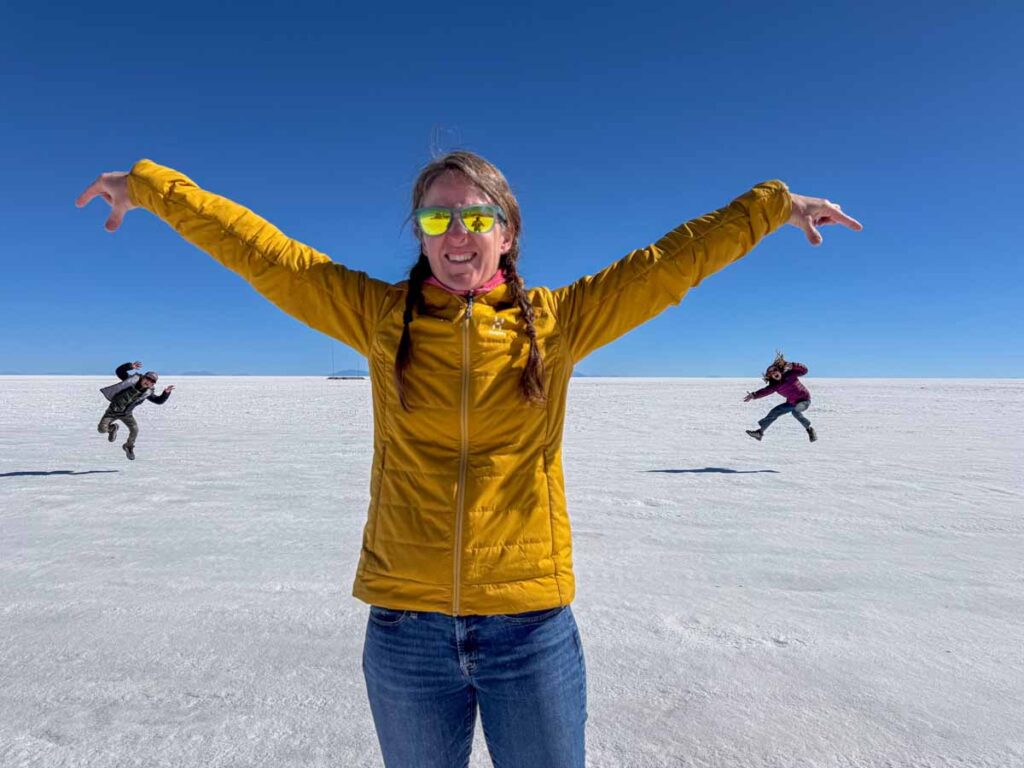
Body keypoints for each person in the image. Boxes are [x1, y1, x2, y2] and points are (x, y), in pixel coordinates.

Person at [77, 153, 861, 767]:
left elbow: (668, 264)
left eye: (477, 215)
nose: (458, 231)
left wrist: (770, 208)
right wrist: (153, 188)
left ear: (506, 232)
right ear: (419, 233)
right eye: (437, 215)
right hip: (405, 631)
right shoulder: (379, 318)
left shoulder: (559, 323)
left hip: (530, 628)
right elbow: (265, 254)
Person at [98, 360, 174, 460]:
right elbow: (119, 371)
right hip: (112, 411)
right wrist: (130, 366)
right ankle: (112, 428)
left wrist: (166, 393)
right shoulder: (130, 380)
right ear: (143, 377)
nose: (149, 382)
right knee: (101, 429)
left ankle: (128, 447)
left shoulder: (147, 392)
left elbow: (158, 400)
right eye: (148, 378)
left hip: (126, 414)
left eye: (152, 382)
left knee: (134, 430)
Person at [744, 353, 815, 442]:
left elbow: (804, 370)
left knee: (796, 411)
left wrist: (792, 365)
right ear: (770, 377)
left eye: (775, 370)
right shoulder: (775, 386)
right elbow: (764, 391)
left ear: (779, 370)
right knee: (775, 412)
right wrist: (754, 395)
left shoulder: (790, 374)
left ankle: (808, 428)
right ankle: (759, 433)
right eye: (771, 373)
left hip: (804, 400)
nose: (774, 372)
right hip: (791, 403)